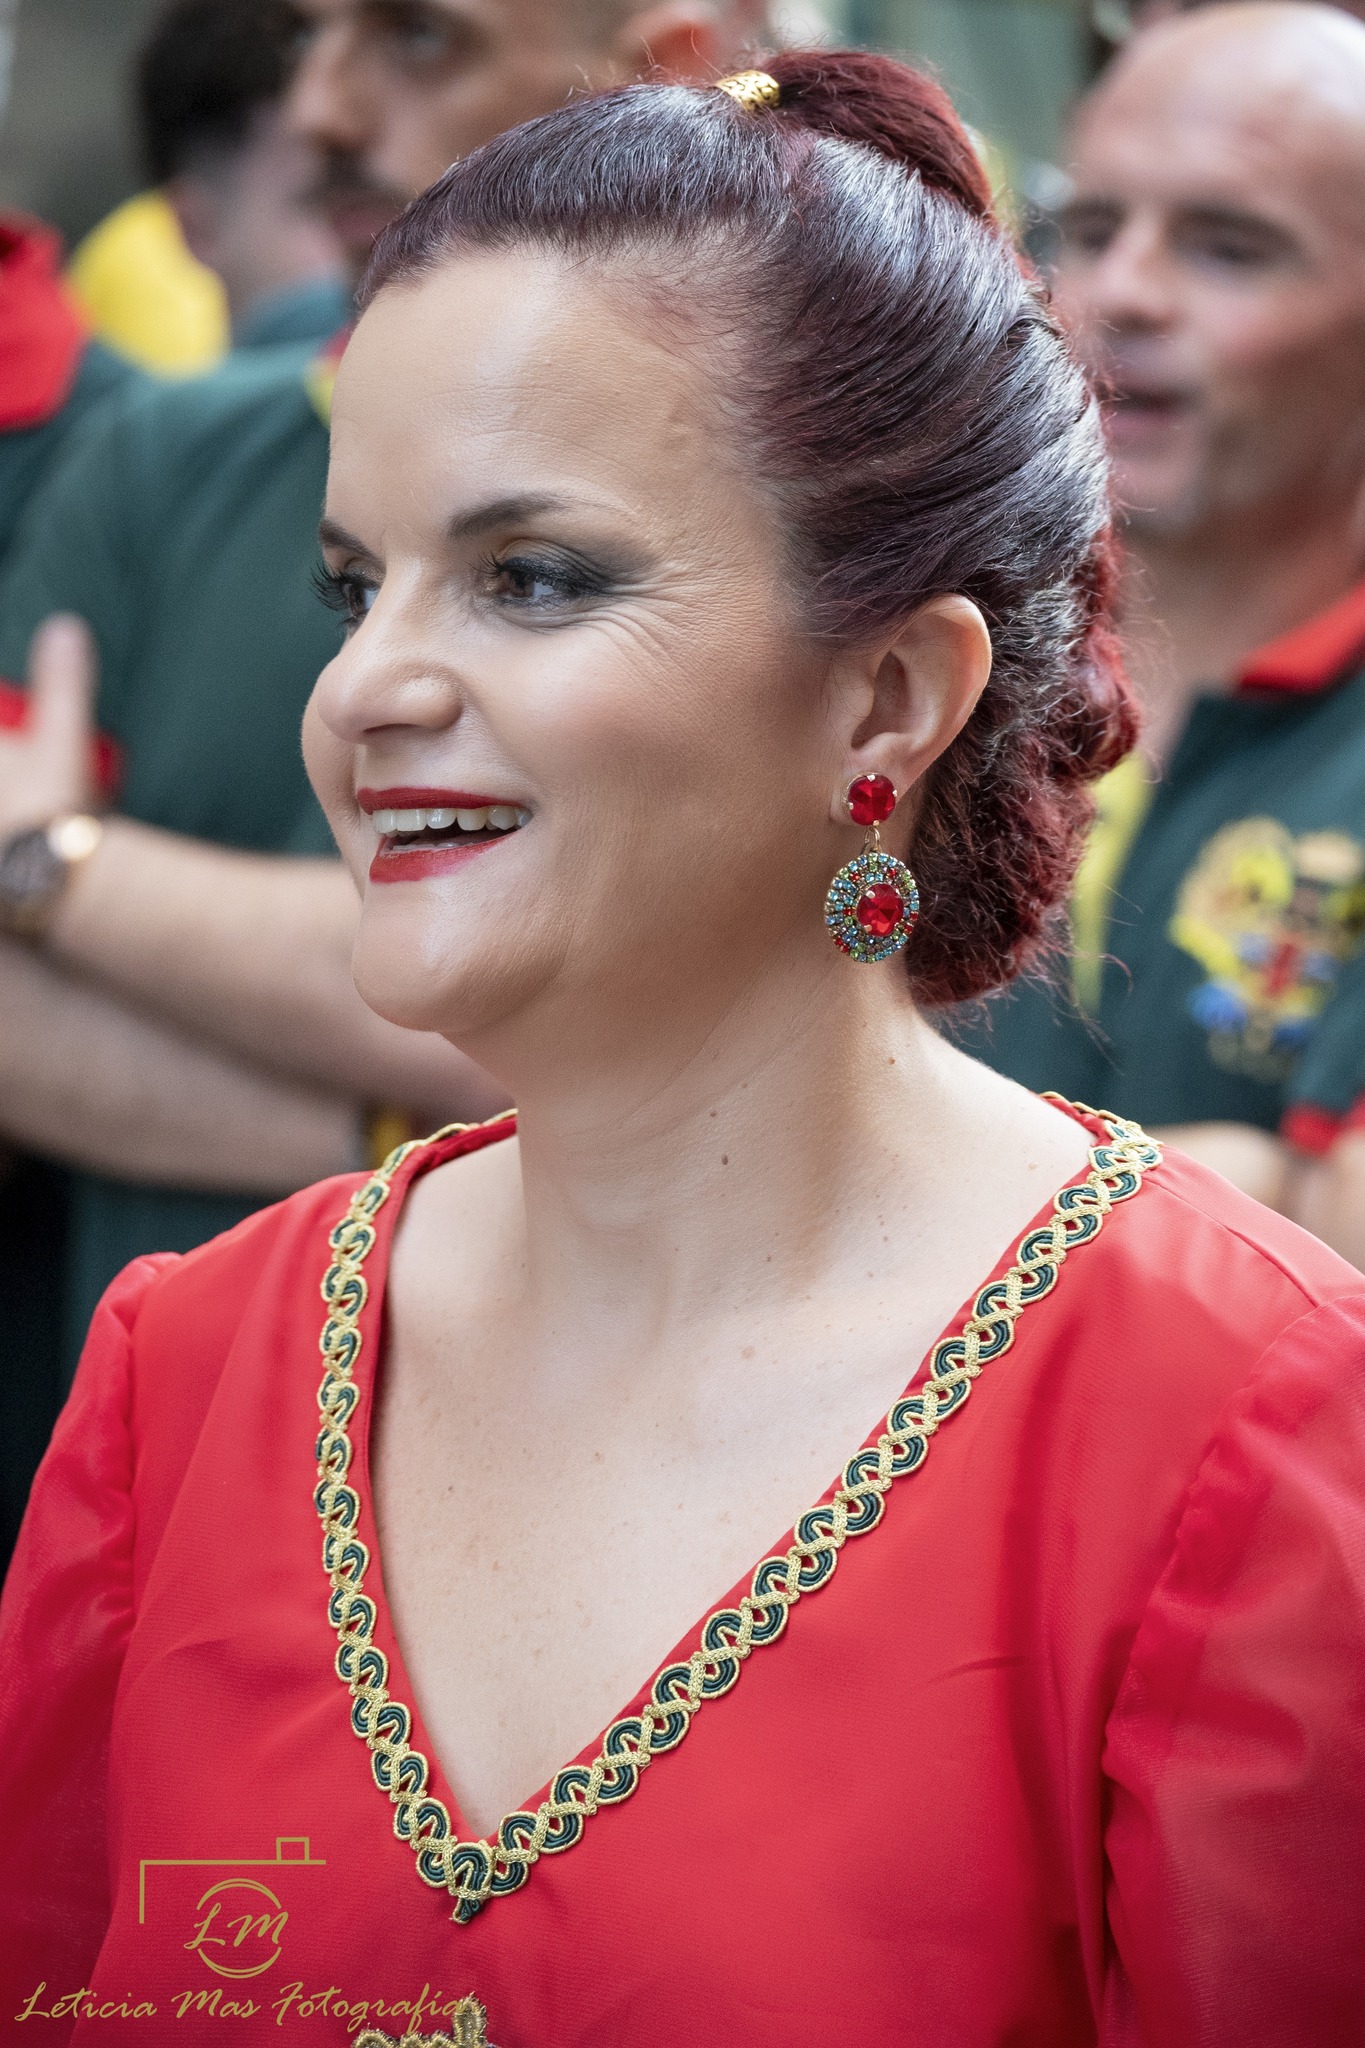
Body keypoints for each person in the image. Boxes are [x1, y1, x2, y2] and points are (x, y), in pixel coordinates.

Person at [4, 50, 1363, 2041]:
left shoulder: (1242, 1419)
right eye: (354, 584)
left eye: (530, 577)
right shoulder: (184, 1374)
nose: (367, 687)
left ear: (885, 695)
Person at [0, 0, 759, 1543]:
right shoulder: (157, 463)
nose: (320, 113)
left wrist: (59, 867)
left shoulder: (784, 501)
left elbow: (648, 1010)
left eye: (415, 38)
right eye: (348, 586)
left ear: (675, 55)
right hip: (161, 1494)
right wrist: (429, 1124)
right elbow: (545, 1037)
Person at [963, 2, 1365, 1270]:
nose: (1121, 293)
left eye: (1230, 248)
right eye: (1088, 229)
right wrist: (1261, 1174)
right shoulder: (921, 664)